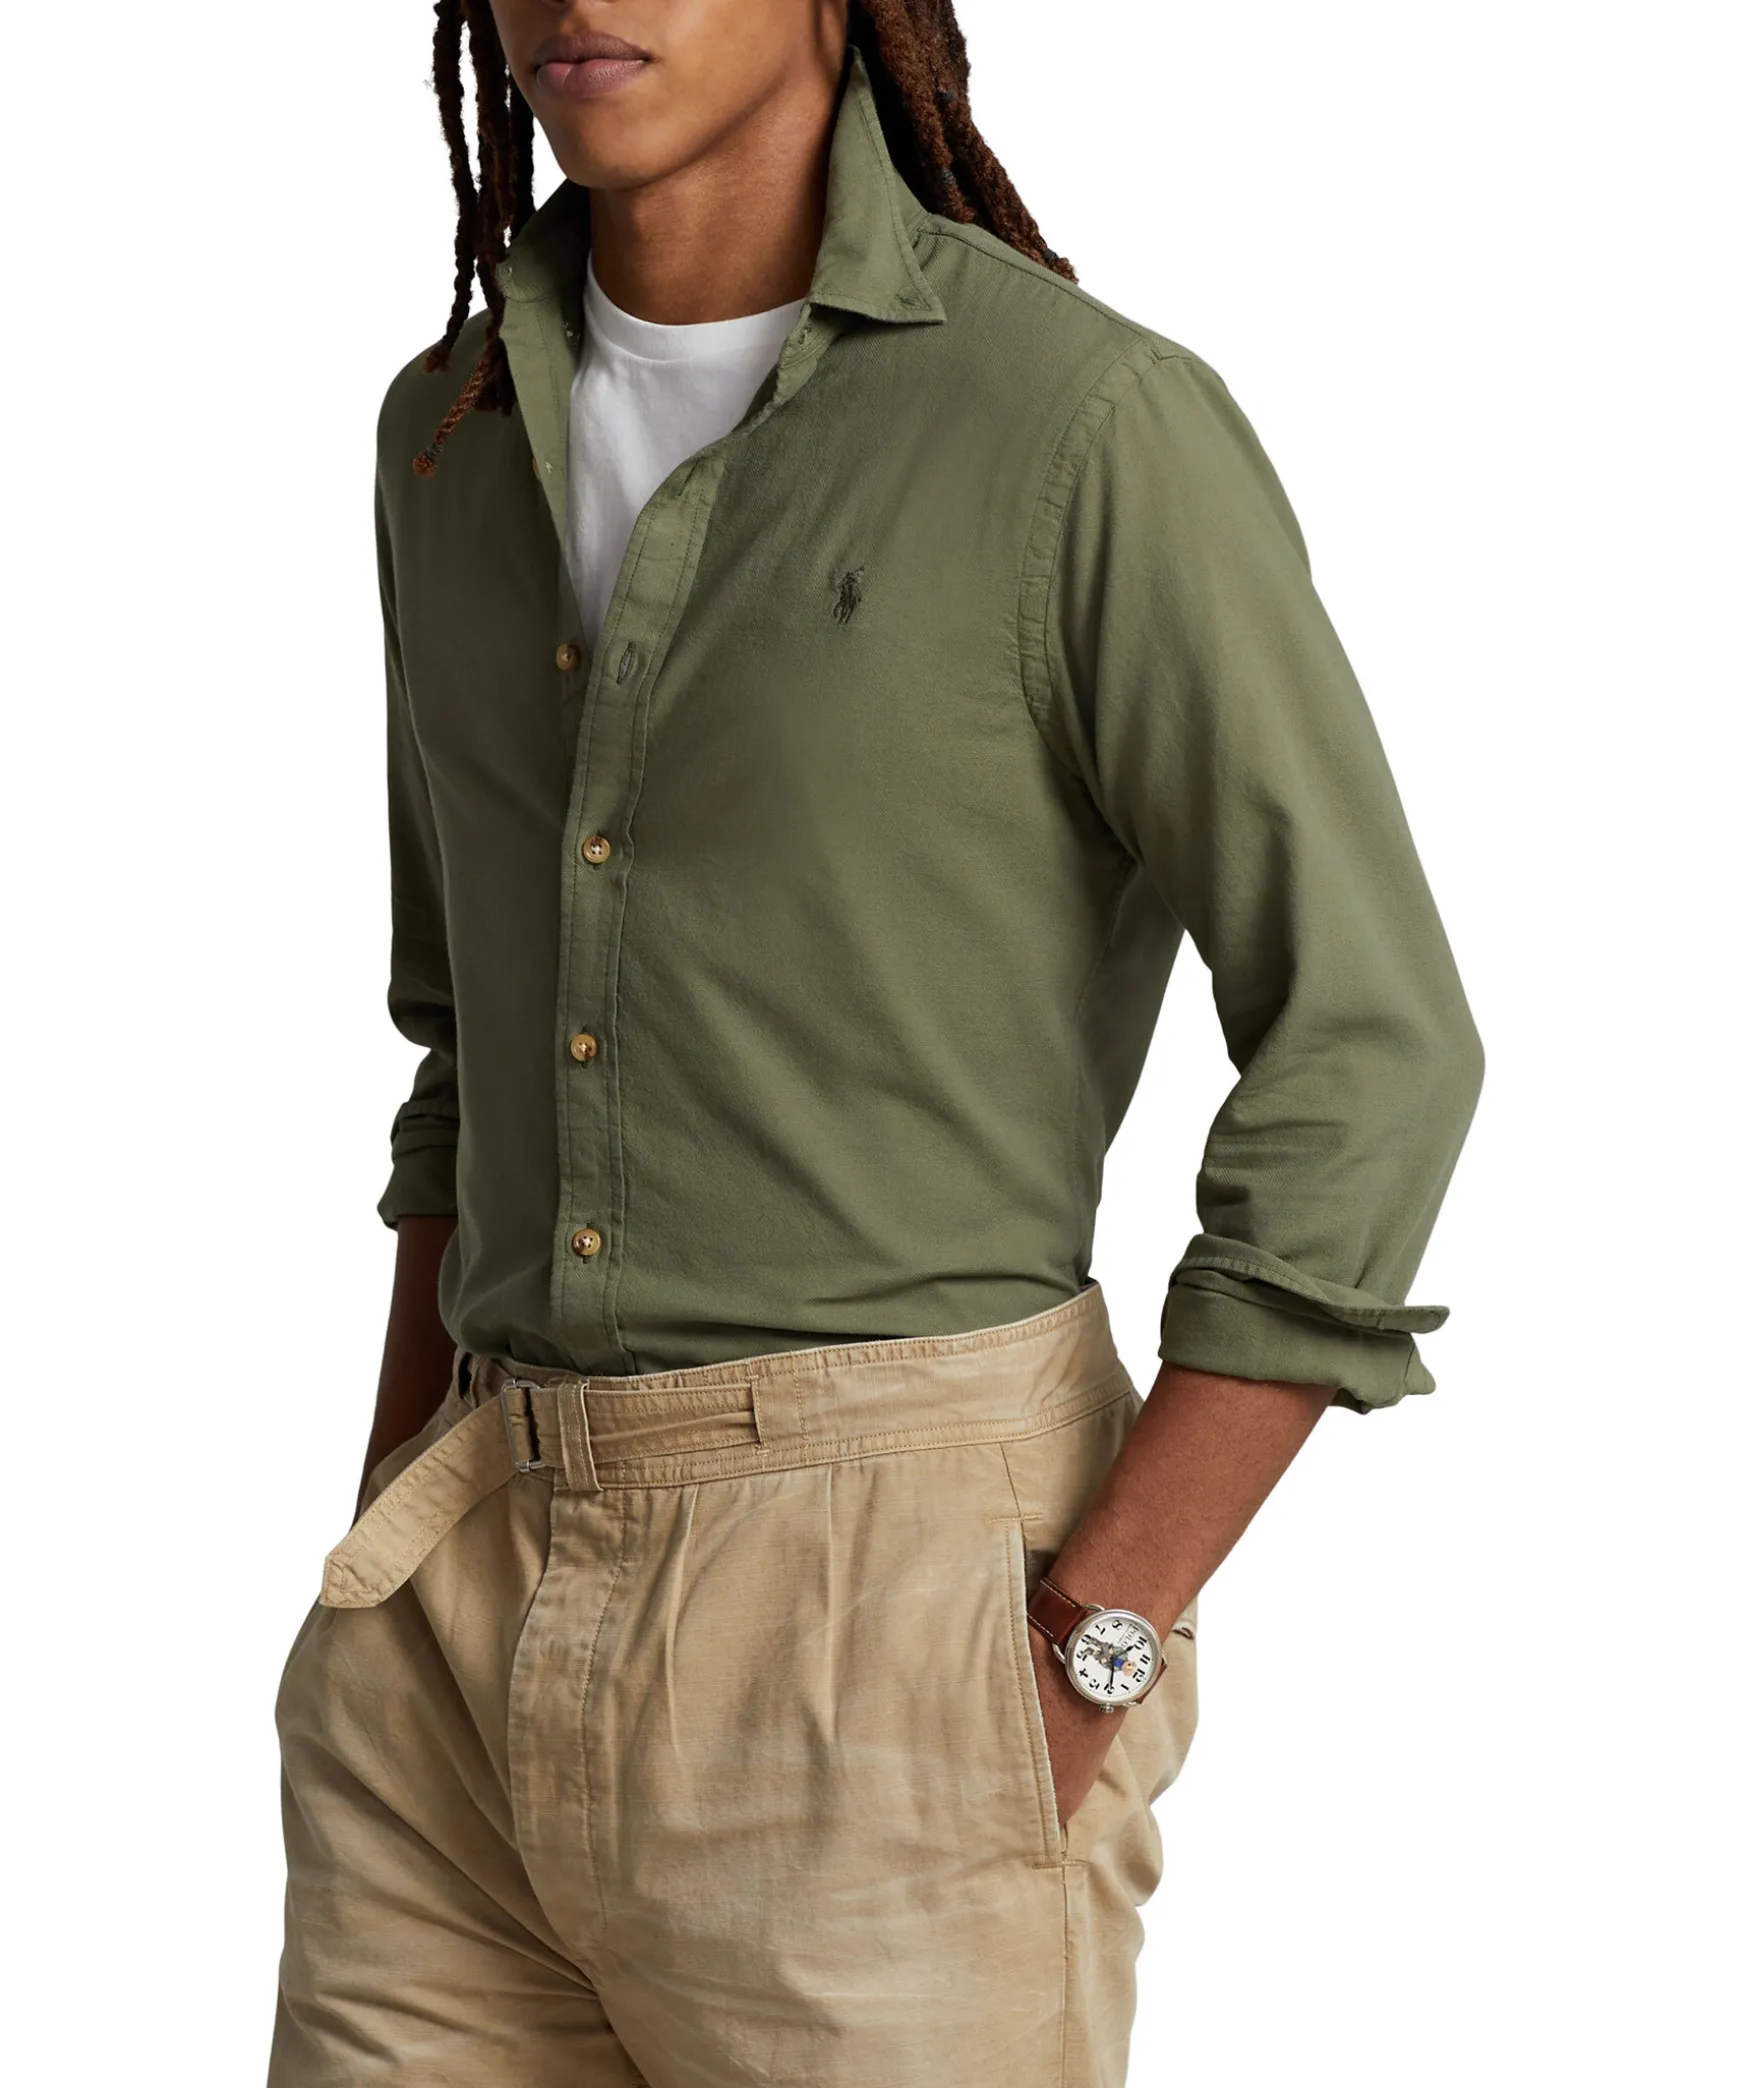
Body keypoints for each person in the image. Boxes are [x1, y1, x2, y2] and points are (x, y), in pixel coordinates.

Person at [267, 3, 1484, 2082]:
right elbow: (467, 1038)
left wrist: (1095, 1639)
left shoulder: (1077, 427)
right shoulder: (444, 433)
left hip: (893, 1607)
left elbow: (1375, 1041)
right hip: (454, 1637)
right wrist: (387, 1524)